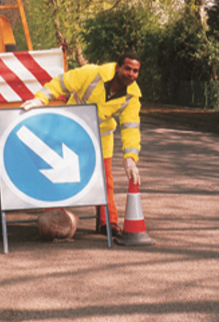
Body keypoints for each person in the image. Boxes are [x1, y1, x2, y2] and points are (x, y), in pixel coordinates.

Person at [21, 52, 142, 238]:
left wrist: (130, 158)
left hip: (101, 138)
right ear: (118, 67)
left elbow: (131, 127)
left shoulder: (131, 96)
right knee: (58, 176)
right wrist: (41, 99)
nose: (131, 74)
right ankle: (52, 218)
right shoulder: (92, 74)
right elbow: (61, 82)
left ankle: (108, 223)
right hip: (71, 131)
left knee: (105, 182)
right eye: (127, 69)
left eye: (135, 71)